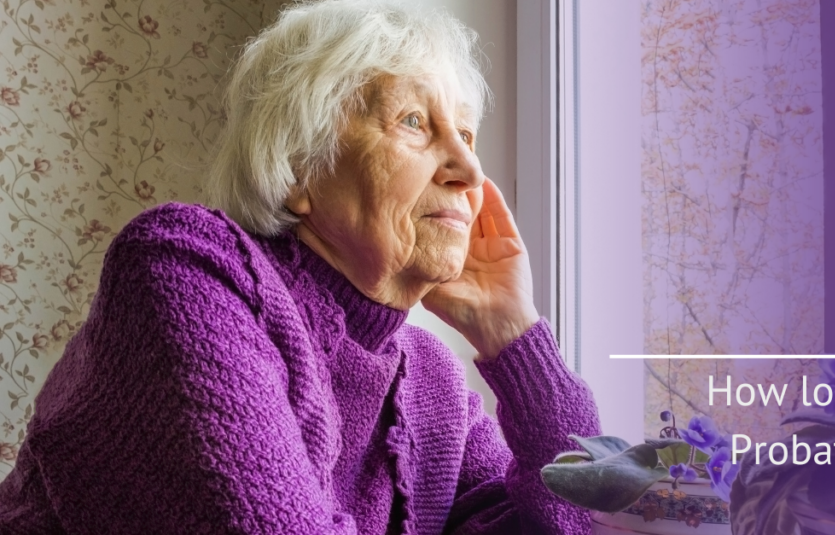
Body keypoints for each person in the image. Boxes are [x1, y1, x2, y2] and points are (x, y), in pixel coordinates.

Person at [0, 1, 600, 533]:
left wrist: (515, 337)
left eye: (467, 134)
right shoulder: (185, 271)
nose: (470, 170)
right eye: (414, 122)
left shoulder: (432, 383)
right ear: (298, 167)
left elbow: (576, 521)